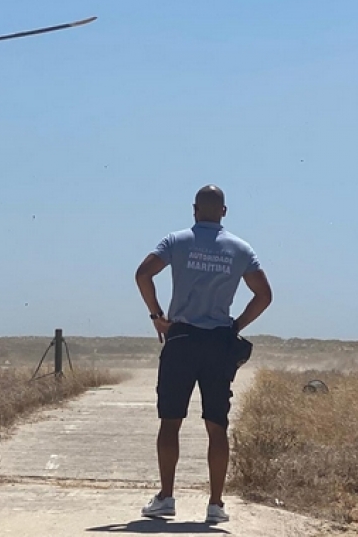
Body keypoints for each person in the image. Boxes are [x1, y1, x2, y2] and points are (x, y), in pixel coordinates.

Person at [134, 184, 272, 524]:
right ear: (224, 211)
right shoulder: (240, 249)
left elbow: (142, 274)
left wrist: (157, 316)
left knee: (170, 421)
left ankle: (166, 497)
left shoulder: (175, 241)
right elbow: (264, 295)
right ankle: (215, 504)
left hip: (180, 338)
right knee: (216, 425)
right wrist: (235, 324)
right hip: (218, 343)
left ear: (195, 209)